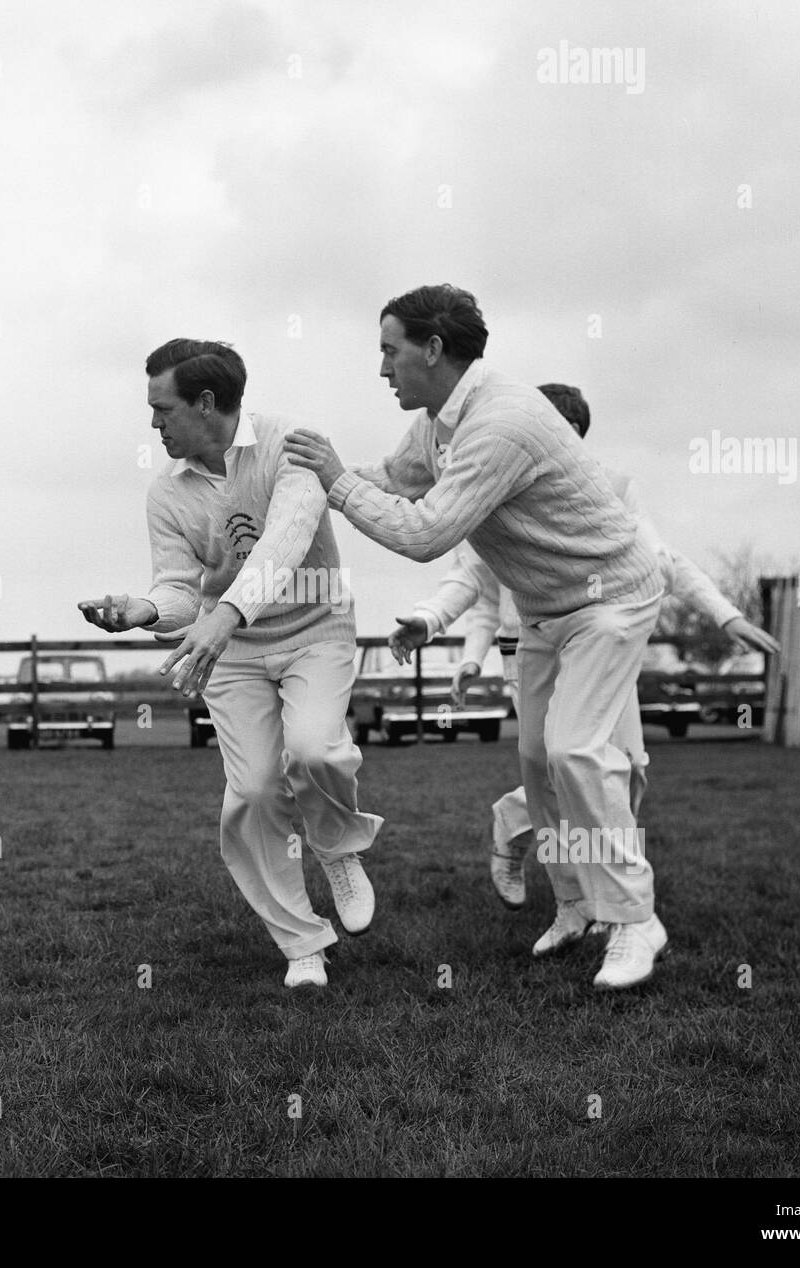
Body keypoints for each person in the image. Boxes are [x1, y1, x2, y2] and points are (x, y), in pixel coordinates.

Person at [284, 284, 668, 990]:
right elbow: (393, 481)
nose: (381, 370)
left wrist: (335, 482)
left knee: (574, 749)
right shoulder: (438, 421)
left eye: (389, 352)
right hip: (549, 608)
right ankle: (577, 903)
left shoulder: (503, 422)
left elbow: (427, 532)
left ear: (432, 349)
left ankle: (636, 918)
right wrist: (301, 481)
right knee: (537, 762)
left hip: (610, 599)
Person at [391, 384, 779, 912]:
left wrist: (725, 613)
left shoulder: (609, 486)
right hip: (530, 643)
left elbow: (662, 557)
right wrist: (452, 641)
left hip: (601, 636)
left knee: (627, 767)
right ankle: (592, 902)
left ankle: (527, 830)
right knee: (570, 765)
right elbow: (472, 584)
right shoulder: (490, 471)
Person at [79, 339, 381, 988]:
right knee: (249, 795)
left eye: (162, 409)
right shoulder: (166, 492)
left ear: (207, 403)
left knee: (315, 752)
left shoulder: (291, 446)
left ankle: (337, 849)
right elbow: (179, 591)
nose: (153, 424)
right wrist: (141, 610)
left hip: (315, 630)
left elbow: (286, 541)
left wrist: (224, 614)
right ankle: (301, 943)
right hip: (233, 653)